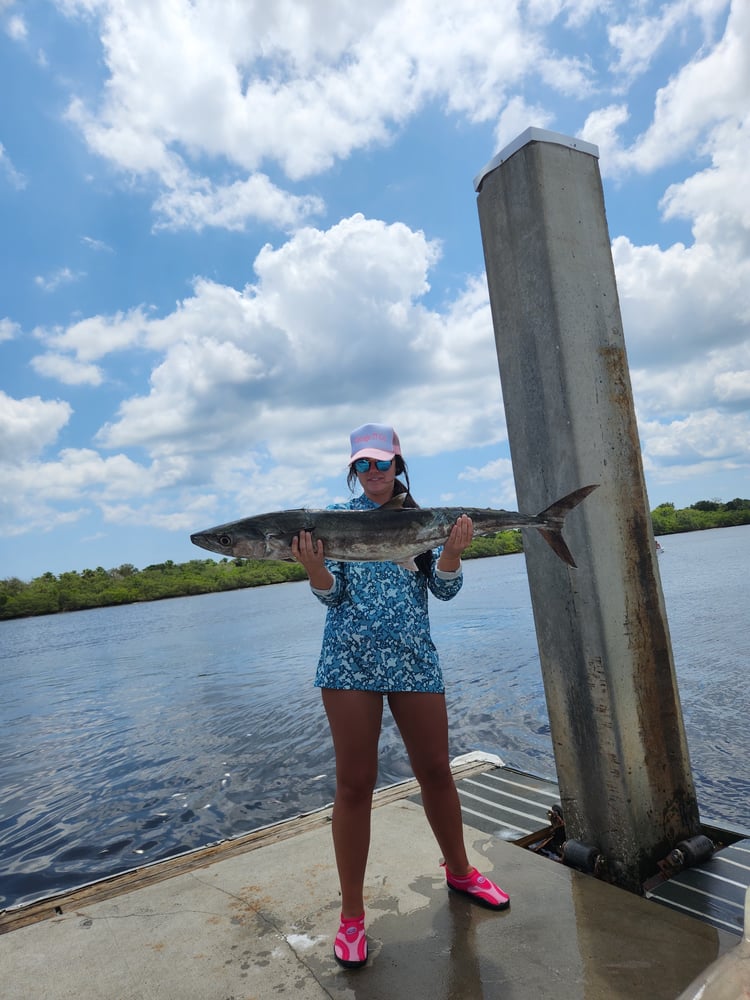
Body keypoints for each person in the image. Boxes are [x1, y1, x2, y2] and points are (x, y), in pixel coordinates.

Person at [291, 422, 510, 970]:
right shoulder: (330, 523)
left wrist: (452, 553)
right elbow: (333, 596)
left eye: (381, 463)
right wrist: (315, 567)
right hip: (348, 662)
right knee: (355, 783)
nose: (374, 474)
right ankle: (351, 916)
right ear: (352, 471)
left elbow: (443, 589)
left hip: (413, 656)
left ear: (398, 464)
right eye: (362, 466)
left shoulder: (429, 521)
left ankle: (460, 872)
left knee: (437, 769)